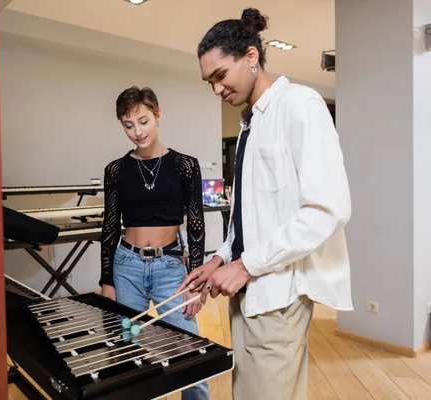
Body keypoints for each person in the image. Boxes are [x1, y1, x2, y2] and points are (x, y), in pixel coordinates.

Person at [178, 8, 353, 400]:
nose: (216, 90)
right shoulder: (249, 126)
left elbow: (329, 208)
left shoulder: (300, 104)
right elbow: (248, 218)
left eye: (220, 75)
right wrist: (219, 259)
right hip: (245, 293)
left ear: (252, 57)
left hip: (277, 296)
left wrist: (245, 265)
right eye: (209, 82)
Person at [99, 86, 209, 400]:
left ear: (158, 116)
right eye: (128, 125)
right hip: (126, 268)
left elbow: (196, 225)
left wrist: (196, 280)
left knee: (190, 353)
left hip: (171, 269)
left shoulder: (185, 165)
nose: (137, 131)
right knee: (125, 354)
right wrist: (107, 280)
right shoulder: (116, 170)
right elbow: (109, 228)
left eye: (143, 121)